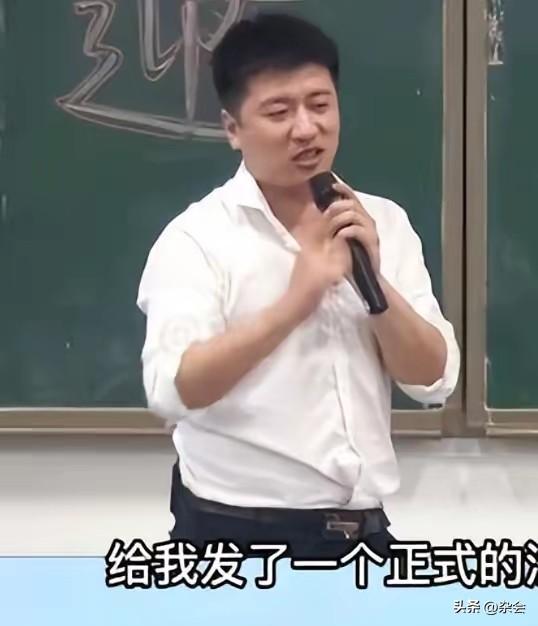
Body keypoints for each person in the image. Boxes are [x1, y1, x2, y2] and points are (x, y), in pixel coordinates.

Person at [136, 13, 460, 560]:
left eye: (320, 104)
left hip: (363, 535)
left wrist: (373, 281)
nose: (306, 128)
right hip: (235, 537)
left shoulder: (381, 221)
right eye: (279, 112)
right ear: (233, 128)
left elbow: (434, 379)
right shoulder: (197, 238)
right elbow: (173, 390)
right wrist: (295, 302)